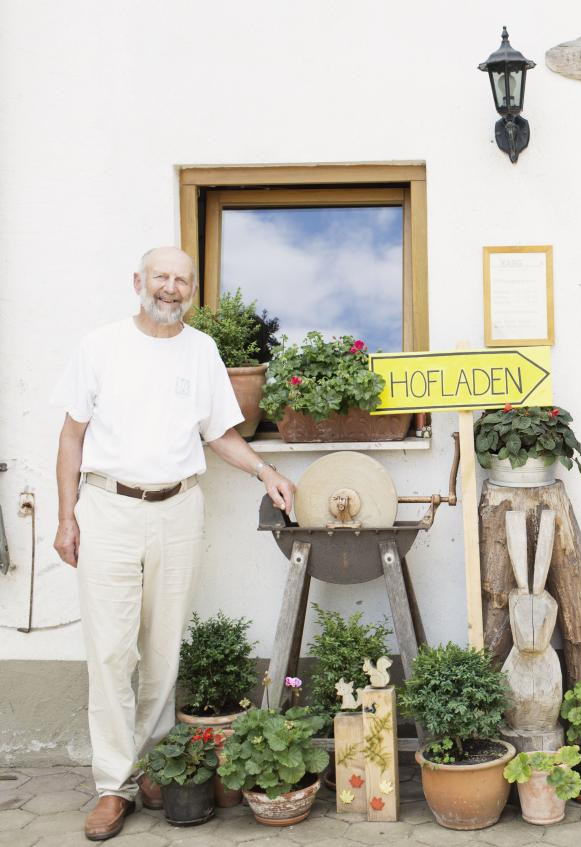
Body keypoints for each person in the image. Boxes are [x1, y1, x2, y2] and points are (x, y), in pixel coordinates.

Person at [52, 247, 296, 841]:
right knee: (112, 652)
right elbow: (71, 435)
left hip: (179, 507)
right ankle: (113, 785)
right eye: (161, 277)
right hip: (108, 507)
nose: (170, 288)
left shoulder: (202, 350)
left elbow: (218, 432)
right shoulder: (100, 346)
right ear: (138, 281)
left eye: (181, 280)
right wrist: (66, 518)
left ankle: (155, 766)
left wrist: (265, 471)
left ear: (192, 290)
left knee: (162, 650)